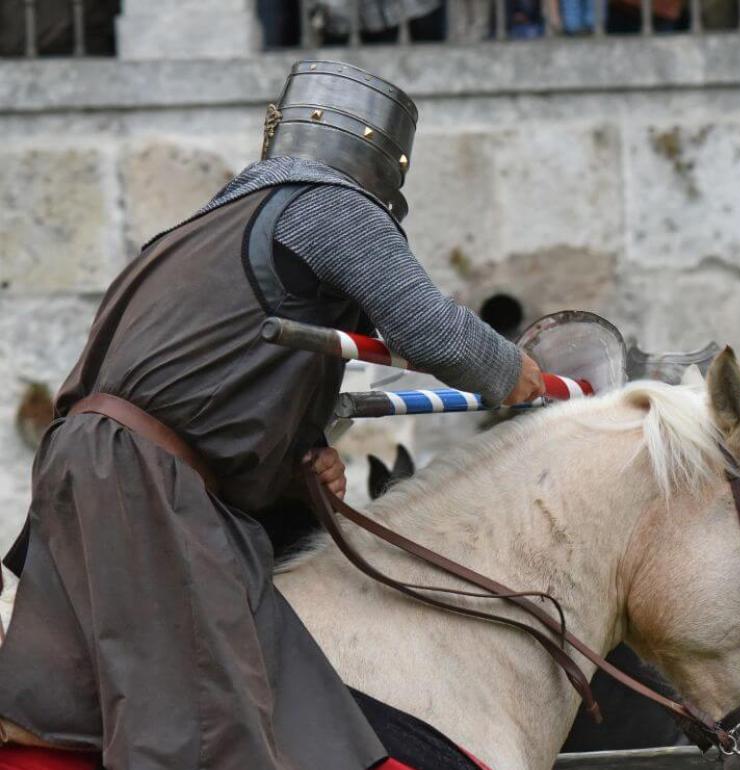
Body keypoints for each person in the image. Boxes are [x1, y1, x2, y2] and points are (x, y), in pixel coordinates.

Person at [0, 59, 544, 770]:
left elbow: (209, 386)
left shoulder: (206, 226)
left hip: (106, 469)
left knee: (81, 718)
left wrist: (300, 461)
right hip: (142, 482)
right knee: (205, 735)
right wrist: (514, 372)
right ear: (387, 162)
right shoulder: (329, 209)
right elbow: (436, 334)